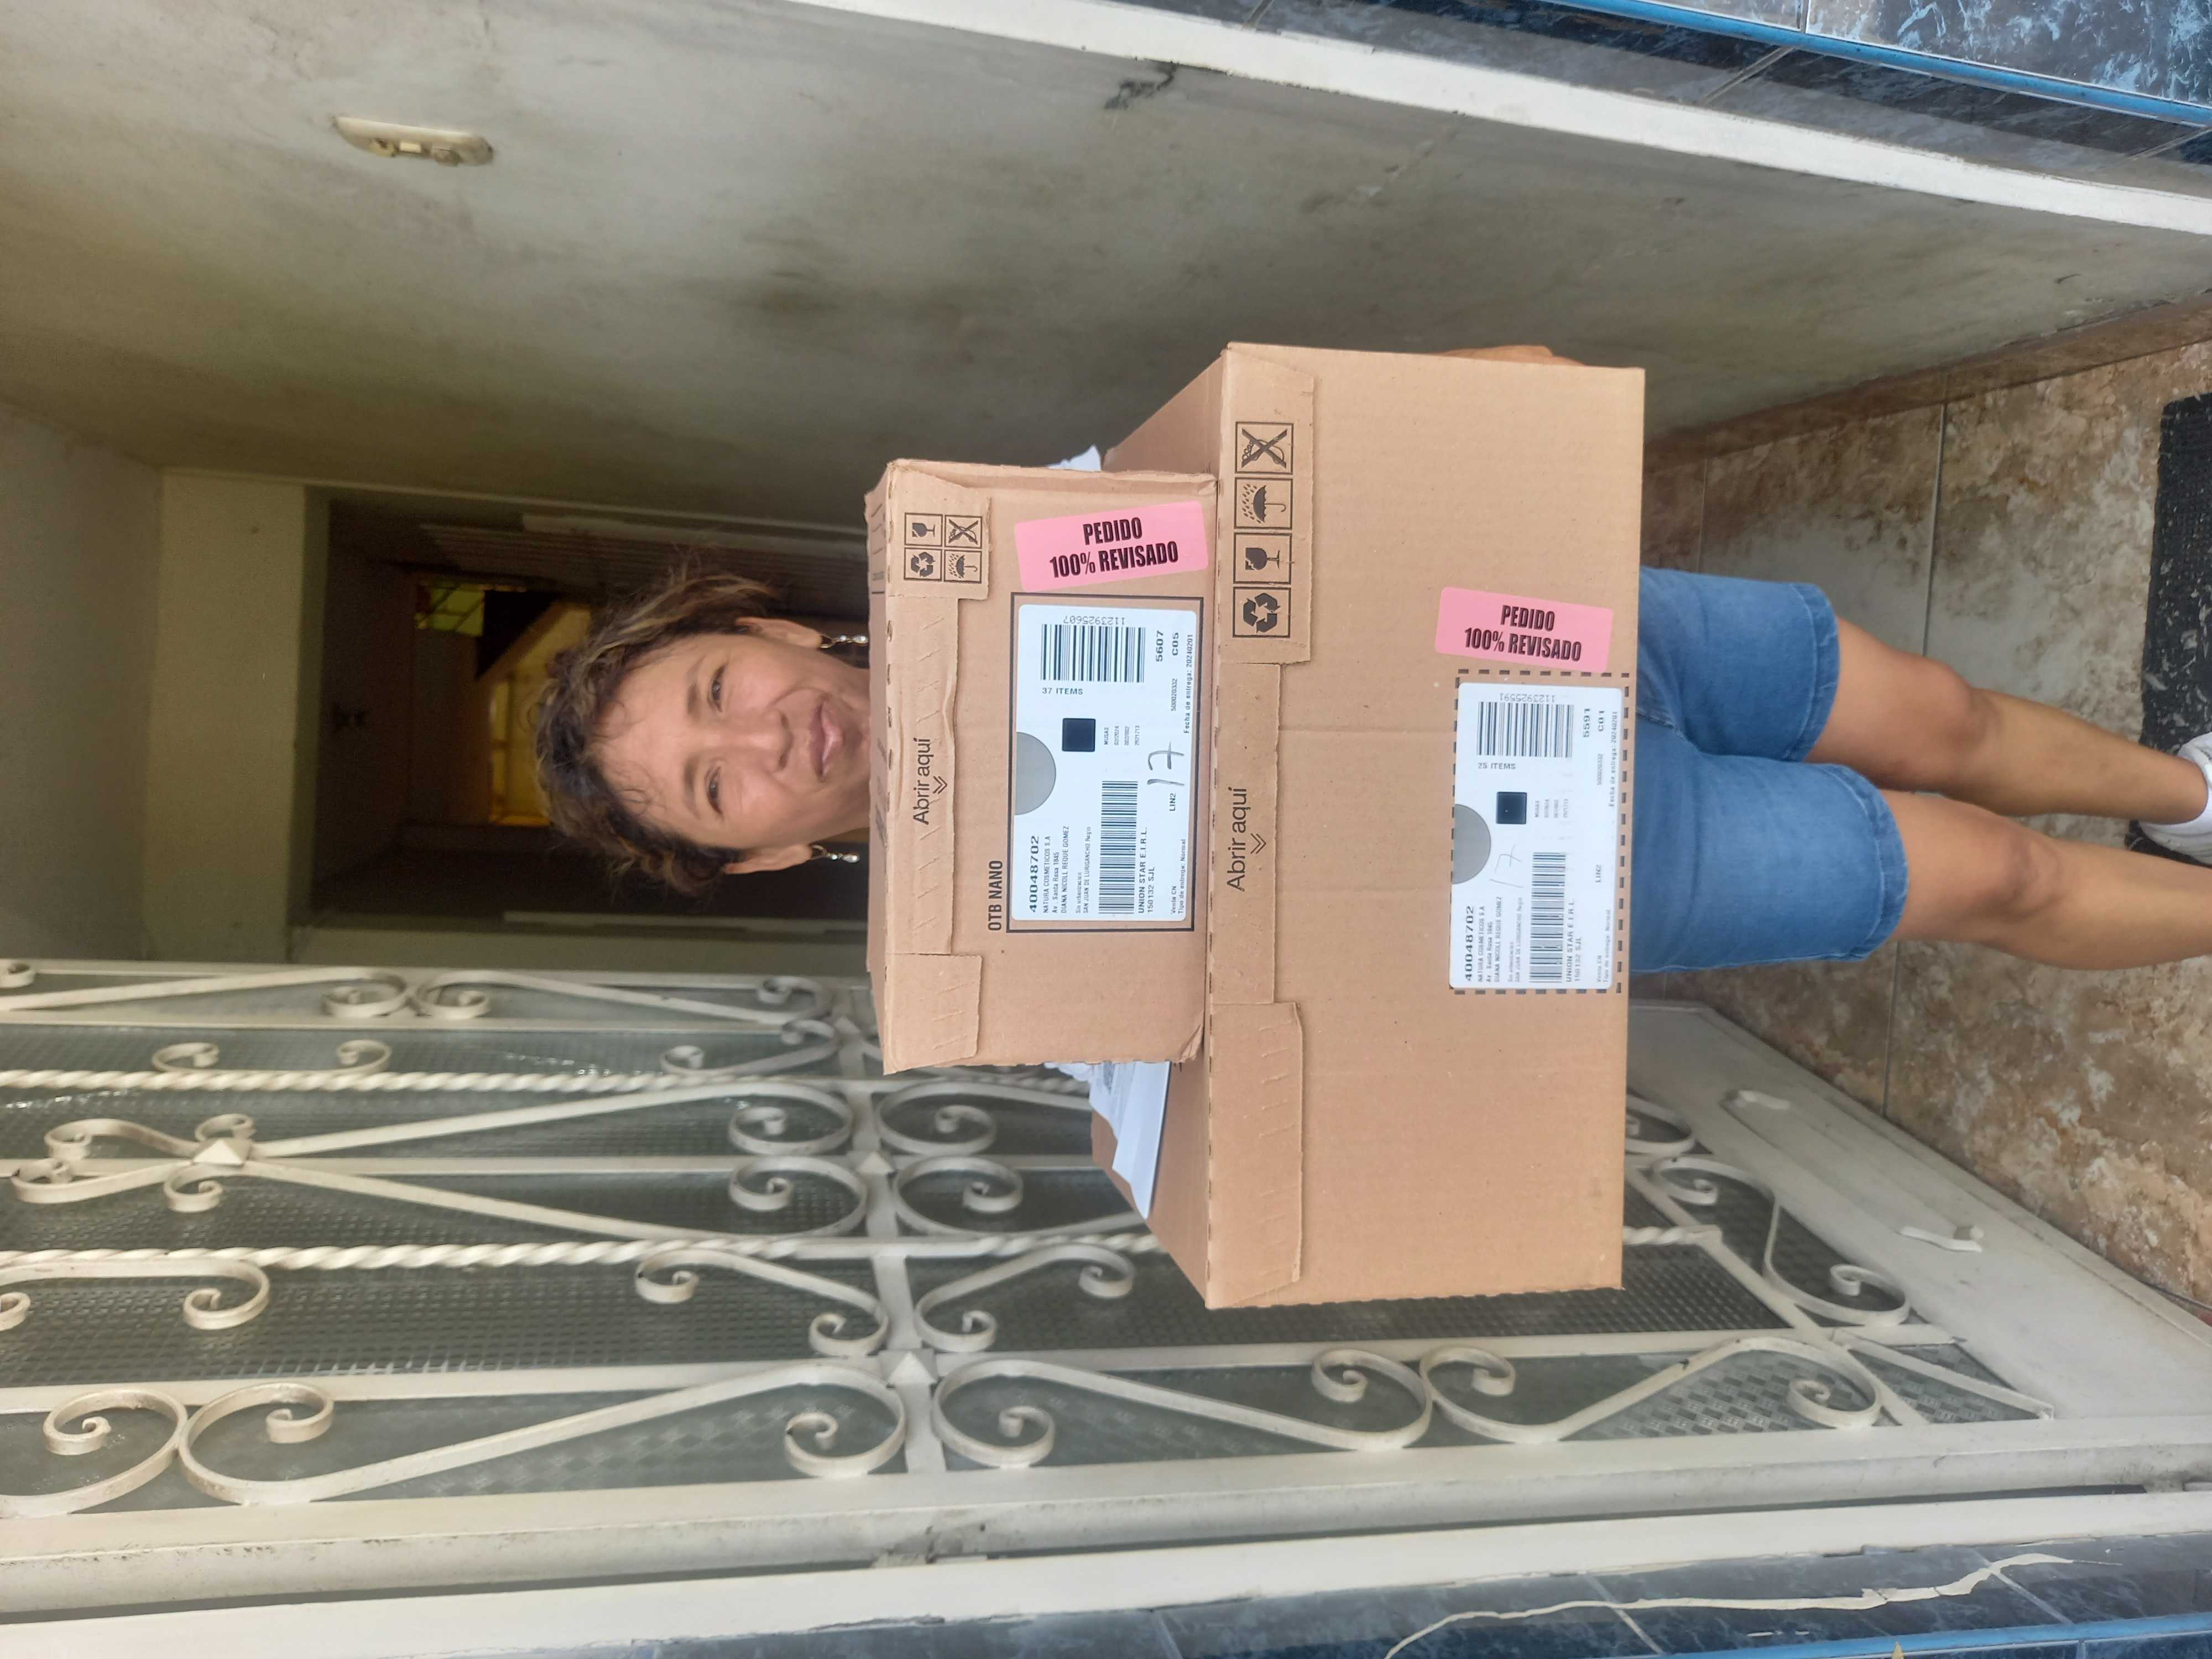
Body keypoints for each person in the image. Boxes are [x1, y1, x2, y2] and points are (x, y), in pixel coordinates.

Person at [531, 373, 2212, 978]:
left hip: (1539, 628)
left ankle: (2194, 791)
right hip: (1562, 855)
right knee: (1985, 877)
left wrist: (1452, 404)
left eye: (716, 690)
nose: (764, 736)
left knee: (1945, 717)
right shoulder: (984, 949)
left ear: (766, 633)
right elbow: (1199, 1052)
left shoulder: (1011, 546)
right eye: (716, 784)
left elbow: (1250, 487)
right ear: (758, 853)